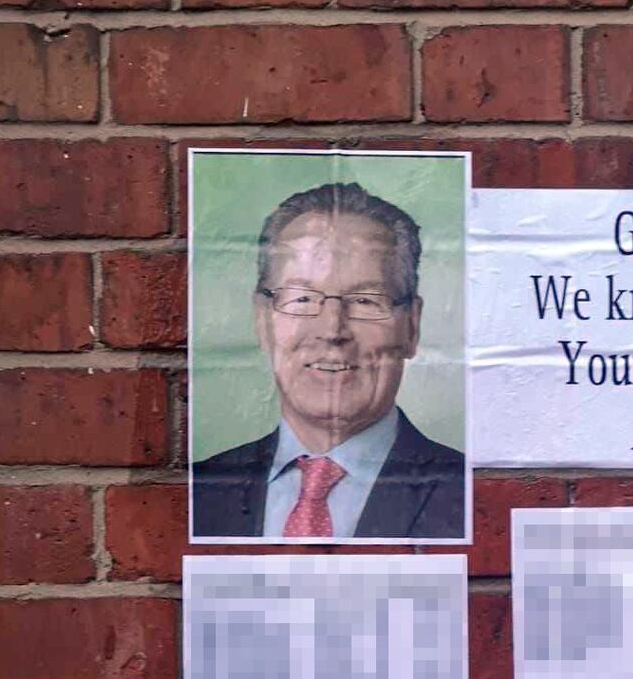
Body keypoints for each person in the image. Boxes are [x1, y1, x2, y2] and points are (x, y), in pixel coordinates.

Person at [192, 181, 465, 540]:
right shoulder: (196, 493)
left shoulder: (468, 492)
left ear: (411, 326)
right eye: (302, 298)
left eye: (366, 300)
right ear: (262, 320)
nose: (332, 329)